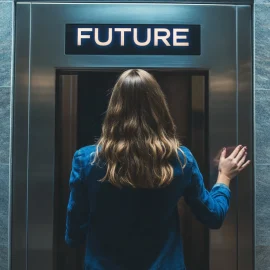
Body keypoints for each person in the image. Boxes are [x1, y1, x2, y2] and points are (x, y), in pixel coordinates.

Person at [65, 69, 250, 270]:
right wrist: (225, 175)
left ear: (114, 108)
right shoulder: (181, 160)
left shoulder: (86, 160)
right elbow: (213, 216)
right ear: (159, 107)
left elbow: (74, 234)